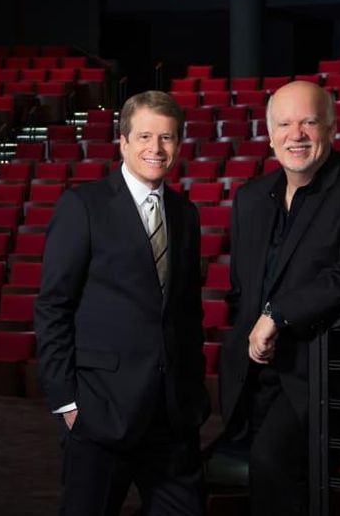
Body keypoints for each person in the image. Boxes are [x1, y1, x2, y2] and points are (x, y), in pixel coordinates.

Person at [219, 80, 340, 515]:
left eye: (309, 122)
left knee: (275, 467)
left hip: (326, 370)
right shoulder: (250, 198)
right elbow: (242, 288)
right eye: (284, 124)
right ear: (269, 134)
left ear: (332, 128)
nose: (295, 135)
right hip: (259, 371)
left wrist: (277, 315)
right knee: (268, 482)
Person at [35, 90, 208, 516]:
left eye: (167, 137)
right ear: (124, 141)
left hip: (171, 416)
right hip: (102, 411)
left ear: (179, 143)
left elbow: (186, 312)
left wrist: (192, 393)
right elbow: (54, 306)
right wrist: (67, 403)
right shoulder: (83, 206)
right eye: (145, 136)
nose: (156, 148)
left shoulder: (185, 214)